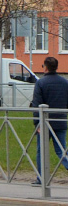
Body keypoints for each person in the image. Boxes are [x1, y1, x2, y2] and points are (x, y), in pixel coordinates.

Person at [31, 56, 68, 186]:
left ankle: (41, 178)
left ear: (45, 67)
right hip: (61, 121)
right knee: (62, 151)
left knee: (41, 151)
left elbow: (37, 105)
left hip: (45, 123)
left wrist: (38, 123)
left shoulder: (41, 83)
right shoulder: (65, 82)